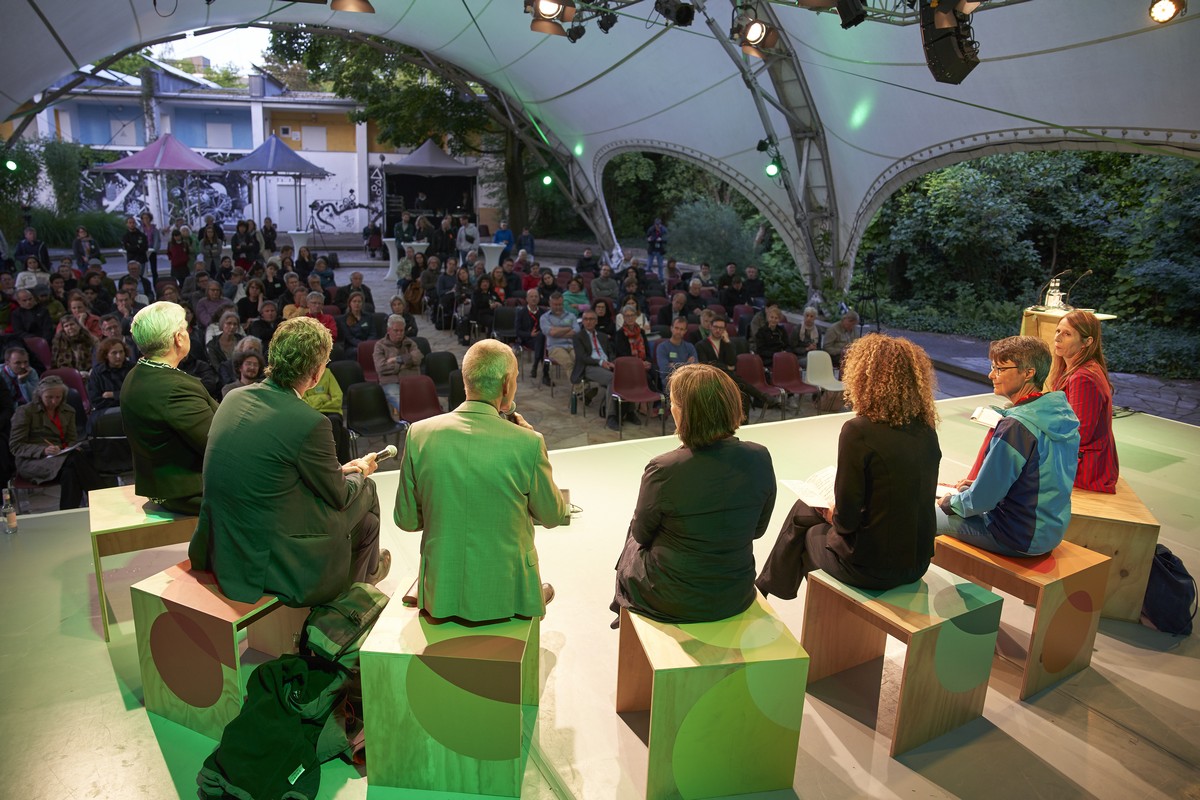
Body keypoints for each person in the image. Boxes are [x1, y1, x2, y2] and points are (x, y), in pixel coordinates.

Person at [189, 316, 388, 607]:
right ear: (318, 372)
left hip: (224, 543)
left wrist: (338, 471)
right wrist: (361, 470)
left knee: (366, 522)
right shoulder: (310, 422)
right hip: (273, 555)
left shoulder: (233, 397)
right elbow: (340, 494)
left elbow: (274, 467)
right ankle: (358, 591)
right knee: (366, 491)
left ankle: (360, 584)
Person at [757, 335, 942, 597]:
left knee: (807, 529)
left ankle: (769, 588)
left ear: (864, 379)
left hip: (872, 569)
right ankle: (766, 586)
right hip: (917, 563)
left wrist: (831, 514)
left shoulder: (858, 431)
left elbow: (846, 522)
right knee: (804, 509)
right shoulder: (926, 429)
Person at [395, 339, 567, 621]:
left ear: (467, 381)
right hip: (510, 595)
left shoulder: (418, 434)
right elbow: (553, 515)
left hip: (440, 594)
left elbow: (407, 520)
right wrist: (531, 443)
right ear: (506, 384)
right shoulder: (529, 442)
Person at [611, 363, 775, 626]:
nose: (671, 409)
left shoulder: (663, 468)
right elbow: (757, 530)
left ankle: (622, 609)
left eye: (674, 403)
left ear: (685, 413)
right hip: (735, 592)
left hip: (673, 599)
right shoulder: (760, 456)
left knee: (632, 535)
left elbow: (642, 534)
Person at [937, 336, 1080, 557]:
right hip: (1050, 530)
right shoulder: (1059, 413)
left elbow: (981, 500)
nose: (991, 375)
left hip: (1017, 535)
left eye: (1000, 369)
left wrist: (950, 502)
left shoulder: (1017, 426)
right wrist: (976, 486)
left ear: (1028, 373)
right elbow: (1037, 478)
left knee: (922, 515)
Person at [121, 302, 218, 513]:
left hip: (163, 486)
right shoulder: (174, 388)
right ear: (178, 338)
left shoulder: (139, 373)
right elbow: (218, 443)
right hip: (189, 491)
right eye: (185, 328)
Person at [1047, 310, 1119, 493]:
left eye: (1067, 334)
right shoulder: (1073, 368)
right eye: (1058, 331)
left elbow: (1079, 433)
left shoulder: (1083, 377)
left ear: (1087, 342)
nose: (1058, 338)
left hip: (1087, 469)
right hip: (1080, 459)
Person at [10, 375, 107, 509]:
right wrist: (43, 450)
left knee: (70, 471)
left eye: (58, 397)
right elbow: (16, 446)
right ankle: (103, 499)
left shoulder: (68, 411)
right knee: (74, 460)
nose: (54, 401)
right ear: (40, 395)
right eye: (49, 397)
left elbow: (71, 440)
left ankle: (68, 514)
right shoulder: (25, 412)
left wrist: (72, 447)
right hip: (33, 461)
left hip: (62, 456)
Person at [373, 315, 423, 416]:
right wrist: (406, 364)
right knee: (405, 405)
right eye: (396, 331)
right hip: (390, 382)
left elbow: (418, 358)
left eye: (402, 330)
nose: (399, 334)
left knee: (425, 401)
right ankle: (412, 425)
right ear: (389, 330)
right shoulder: (380, 345)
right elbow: (381, 368)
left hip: (411, 379)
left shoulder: (410, 343)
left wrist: (397, 359)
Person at [656, 317, 697, 388]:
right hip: (670, 382)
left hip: (688, 382)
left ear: (685, 331)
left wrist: (673, 365)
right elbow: (664, 369)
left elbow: (695, 368)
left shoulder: (690, 347)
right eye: (676, 328)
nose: (678, 331)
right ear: (671, 328)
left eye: (681, 329)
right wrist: (687, 364)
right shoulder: (662, 347)